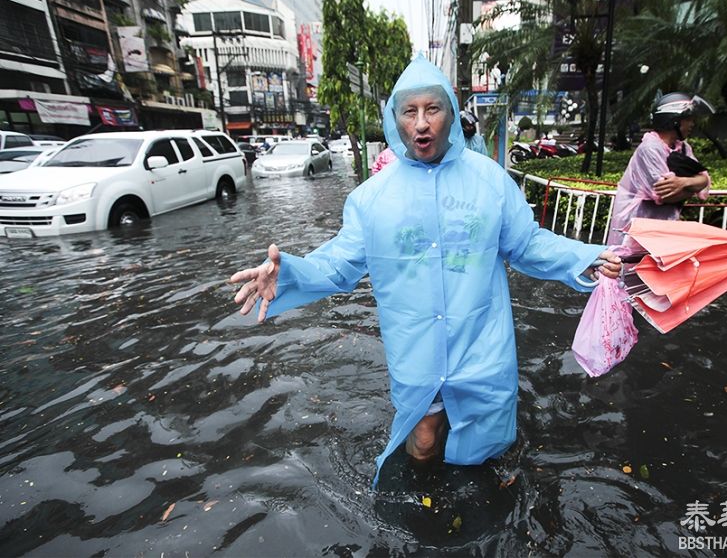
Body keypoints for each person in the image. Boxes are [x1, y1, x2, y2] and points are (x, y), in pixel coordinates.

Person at [230, 55, 621, 486]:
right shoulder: (371, 199)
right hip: (415, 345)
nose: (421, 123)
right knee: (423, 435)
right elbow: (338, 263)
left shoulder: (490, 181)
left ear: (451, 114)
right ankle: (424, 499)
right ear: (393, 119)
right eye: (409, 111)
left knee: (488, 436)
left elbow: (526, 243)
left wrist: (585, 256)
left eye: (432, 109)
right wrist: (288, 272)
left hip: (481, 341)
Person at [606, 92, 715, 248]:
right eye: (688, 119)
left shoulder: (683, 148)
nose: (692, 124)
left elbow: (704, 180)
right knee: (629, 268)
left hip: (663, 227)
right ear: (675, 120)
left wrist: (682, 182)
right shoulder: (650, 148)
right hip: (635, 227)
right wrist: (691, 187)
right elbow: (665, 195)